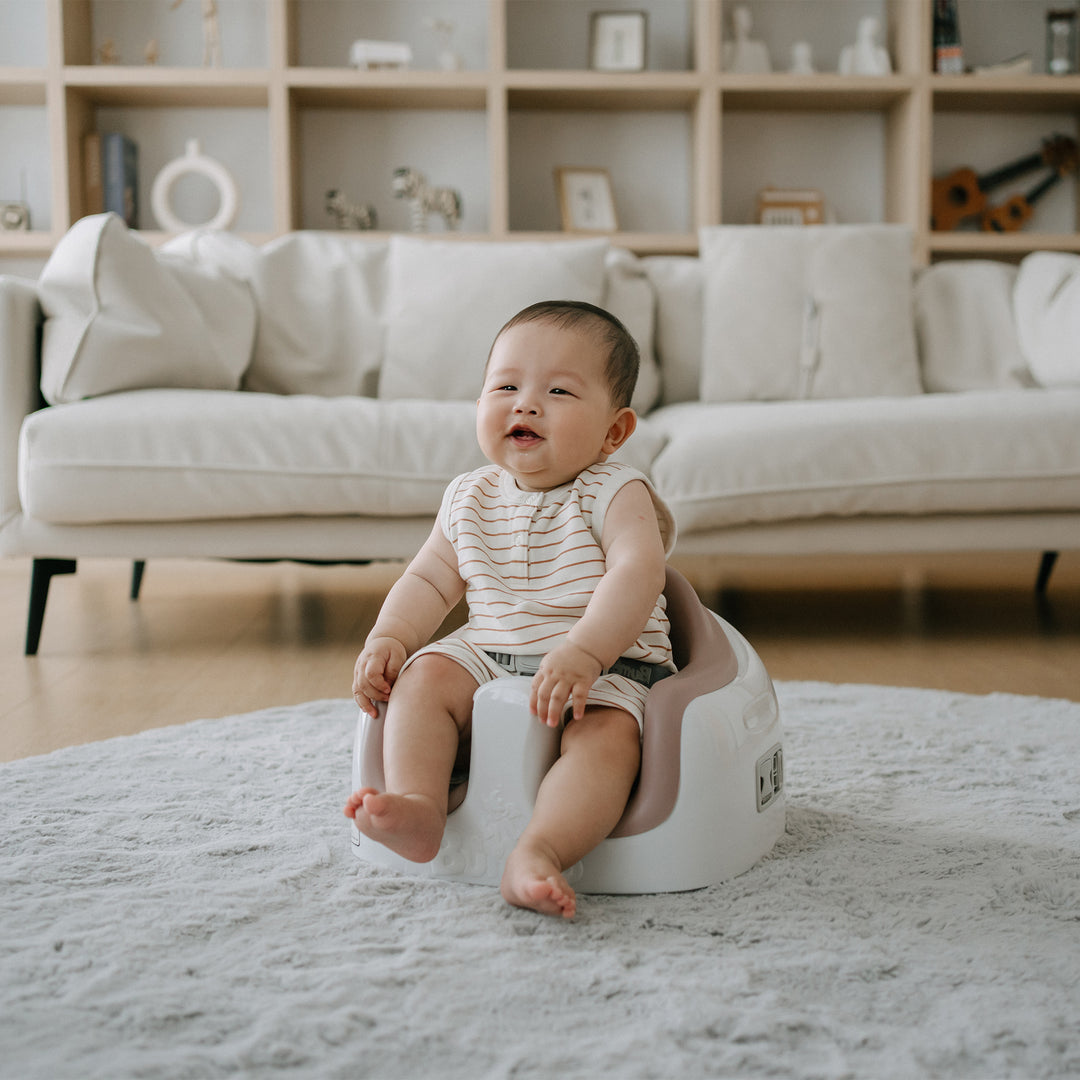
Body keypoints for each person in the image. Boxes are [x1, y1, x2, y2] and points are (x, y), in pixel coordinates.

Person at [345, 299, 676, 919]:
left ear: (613, 431)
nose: (525, 403)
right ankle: (419, 805)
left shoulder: (614, 489)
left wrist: (586, 649)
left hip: (605, 668)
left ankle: (540, 850)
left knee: (607, 743)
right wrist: (390, 635)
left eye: (558, 391)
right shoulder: (469, 494)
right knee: (422, 678)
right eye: (506, 386)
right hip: (490, 653)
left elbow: (639, 572)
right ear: (480, 406)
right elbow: (431, 577)